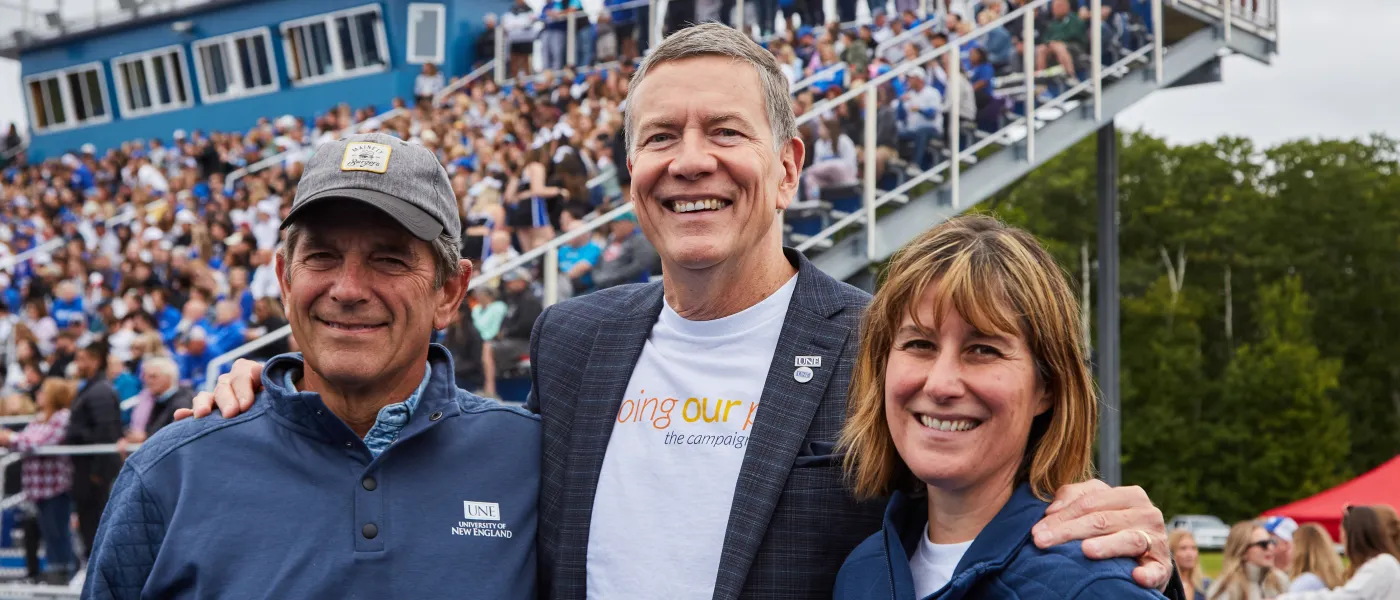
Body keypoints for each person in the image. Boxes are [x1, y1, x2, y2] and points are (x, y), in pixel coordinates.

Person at [184, 24, 1181, 600]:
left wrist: (1124, 527)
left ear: (787, 165)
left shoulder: (880, 348)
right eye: (660, 136)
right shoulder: (573, 340)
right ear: (631, 176)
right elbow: (436, 446)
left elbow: (982, 506)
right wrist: (271, 395)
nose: (690, 159)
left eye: (724, 131)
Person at [83, 133, 540, 599]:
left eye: (388, 259)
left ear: (449, 292)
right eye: (322, 256)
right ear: (284, 279)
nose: (347, 288)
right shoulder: (170, 471)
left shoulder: (533, 458)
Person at [830, 216, 1165, 599]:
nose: (940, 384)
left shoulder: (1093, 586)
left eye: (983, 350)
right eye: (920, 344)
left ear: (1048, 387)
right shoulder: (862, 573)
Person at [0, 378, 77, 583]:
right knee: (46, 532)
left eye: (44, 391)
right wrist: (12, 439)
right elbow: (25, 438)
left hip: (54, 486)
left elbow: (37, 443)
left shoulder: (62, 417)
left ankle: (64, 572)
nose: (39, 394)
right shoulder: (41, 417)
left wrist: (9, 438)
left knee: (58, 532)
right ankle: (54, 571)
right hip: (36, 488)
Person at [66, 340, 122, 557]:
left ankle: (95, 564)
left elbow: (105, 432)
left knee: (94, 519)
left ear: (96, 361)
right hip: (85, 468)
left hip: (93, 470)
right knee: (86, 518)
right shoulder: (91, 388)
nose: (77, 364)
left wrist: (98, 472)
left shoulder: (100, 391)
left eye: (82, 359)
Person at [1279, 506, 1400, 599]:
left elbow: (1344, 597)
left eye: (1343, 535)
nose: (1342, 541)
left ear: (1353, 537)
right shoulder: (1379, 565)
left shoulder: (1382, 564)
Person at [116, 356, 194, 457]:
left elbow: (175, 436)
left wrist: (145, 437)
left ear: (169, 377)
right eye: (145, 376)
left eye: (153, 376)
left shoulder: (183, 402)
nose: (147, 381)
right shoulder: (156, 399)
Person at [1207, 521, 1289, 600]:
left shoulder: (1279, 580)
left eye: (1272, 542)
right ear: (1242, 551)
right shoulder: (1225, 587)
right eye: (1263, 544)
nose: (1270, 548)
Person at [1285, 523, 1344, 593]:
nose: (1288, 552)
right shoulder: (1334, 579)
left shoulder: (1304, 583)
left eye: (1290, 547)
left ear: (1299, 550)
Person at [1170, 529, 1212, 600]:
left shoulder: (1207, 585)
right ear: (1172, 553)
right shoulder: (1164, 587)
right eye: (1183, 548)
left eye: (1193, 548)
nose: (1190, 554)